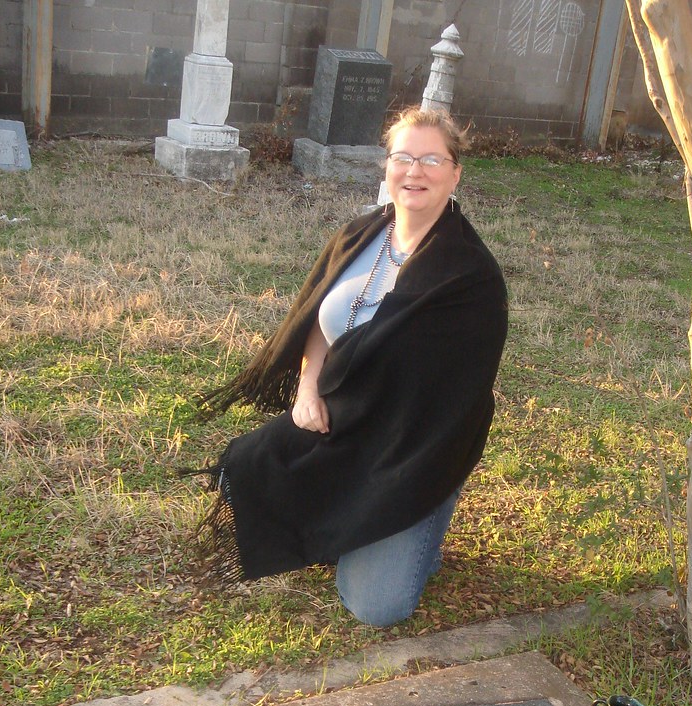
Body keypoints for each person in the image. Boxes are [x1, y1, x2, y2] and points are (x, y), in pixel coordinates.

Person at [193, 106, 508, 627]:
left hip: (412, 452)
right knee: (244, 471)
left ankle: (419, 528)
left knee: (376, 606)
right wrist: (307, 390)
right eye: (403, 157)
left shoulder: (470, 278)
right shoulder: (360, 236)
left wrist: (399, 475)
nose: (415, 171)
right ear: (387, 166)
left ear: (455, 173)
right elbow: (320, 321)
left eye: (432, 160)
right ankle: (346, 520)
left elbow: (457, 407)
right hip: (341, 421)